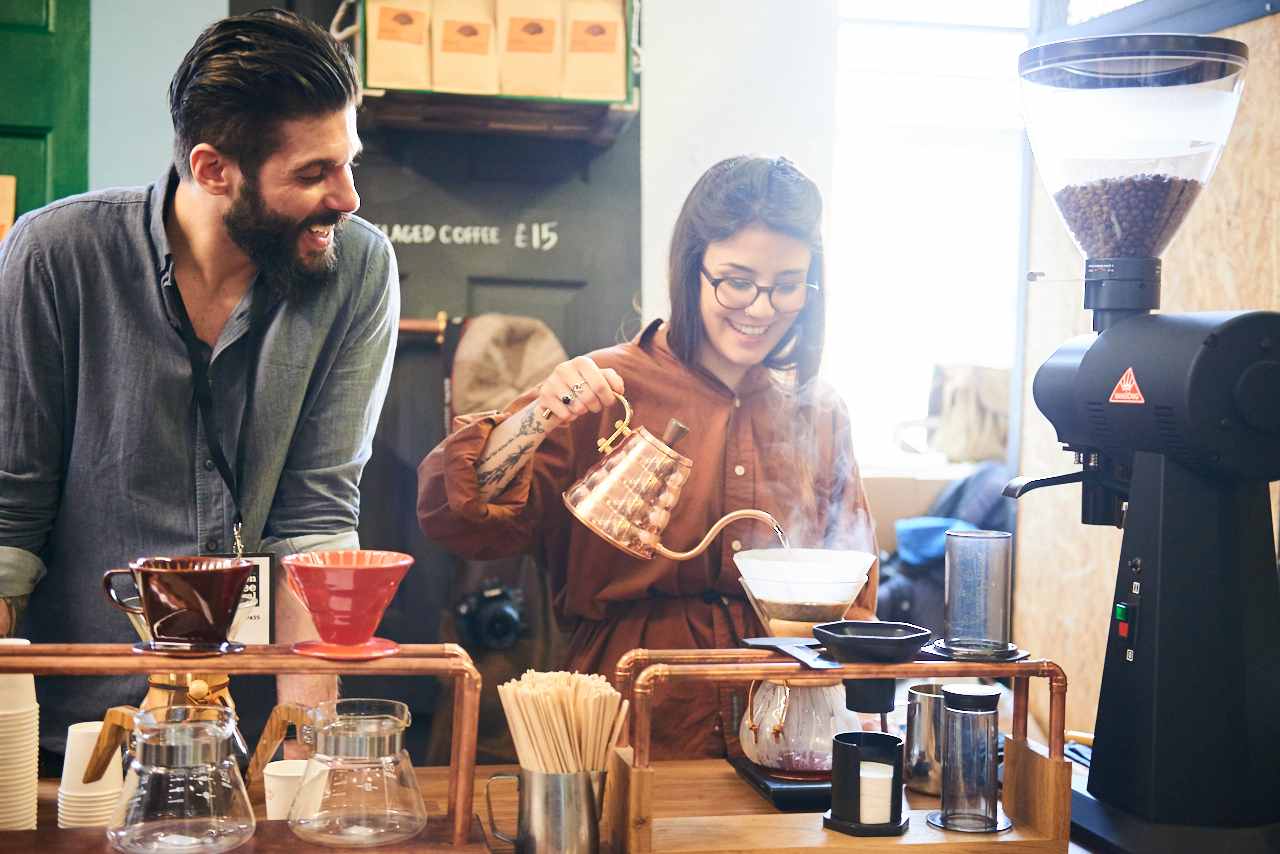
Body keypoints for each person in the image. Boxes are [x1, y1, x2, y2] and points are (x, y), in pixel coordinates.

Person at [0, 9, 398, 766]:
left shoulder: (358, 268)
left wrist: (308, 763)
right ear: (214, 169)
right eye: (313, 173)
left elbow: (314, 515)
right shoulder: (55, 257)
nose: (347, 197)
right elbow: (8, 522)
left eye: (349, 162)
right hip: (77, 733)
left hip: (246, 730)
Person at [418, 156, 877, 759]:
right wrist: (537, 417)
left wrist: (861, 702)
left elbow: (856, 578)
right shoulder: (605, 387)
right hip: (633, 712)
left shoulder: (818, 410)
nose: (762, 309)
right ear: (691, 269)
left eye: (787, 285)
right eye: (737, 281)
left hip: (786, 718)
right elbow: (455, 516)